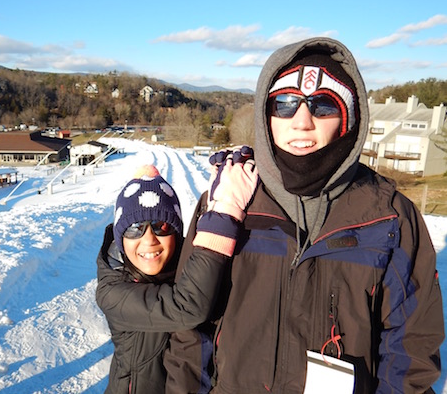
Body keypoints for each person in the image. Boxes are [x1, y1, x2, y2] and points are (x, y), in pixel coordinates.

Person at [165, 37, 444, 393]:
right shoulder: (224, 205)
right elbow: (190, 329)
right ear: (265, 116)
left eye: (323, 106)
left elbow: (411, 349)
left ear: (349, 118)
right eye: (284, 104)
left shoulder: (390, 218)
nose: (301, 121)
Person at [96, 161, 258, 394]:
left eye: (161, 226)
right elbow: (187, 306)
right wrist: (223, 217)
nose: (149, 239)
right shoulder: (113, 294)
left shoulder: (181, 268)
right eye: (134, 229)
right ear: (120, 239)